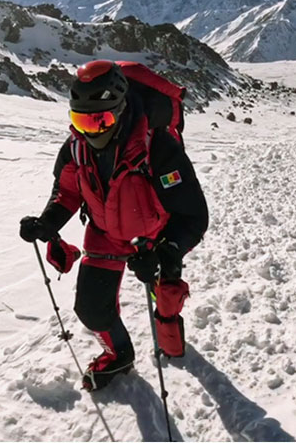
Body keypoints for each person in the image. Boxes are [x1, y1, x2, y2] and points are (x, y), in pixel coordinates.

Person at [19, 60, 208, 391]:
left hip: (155, 238)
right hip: (106, 232)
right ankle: (120, 355)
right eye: (81, 120)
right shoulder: (76, 147)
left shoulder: (159, 147)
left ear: (120, 109)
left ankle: (172, 341)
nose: (91, 131)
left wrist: (167, 252)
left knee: (164, 299)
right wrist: (47, 223)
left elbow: (193, 216)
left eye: (100, 120)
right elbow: (66, 193)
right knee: (91, 308)